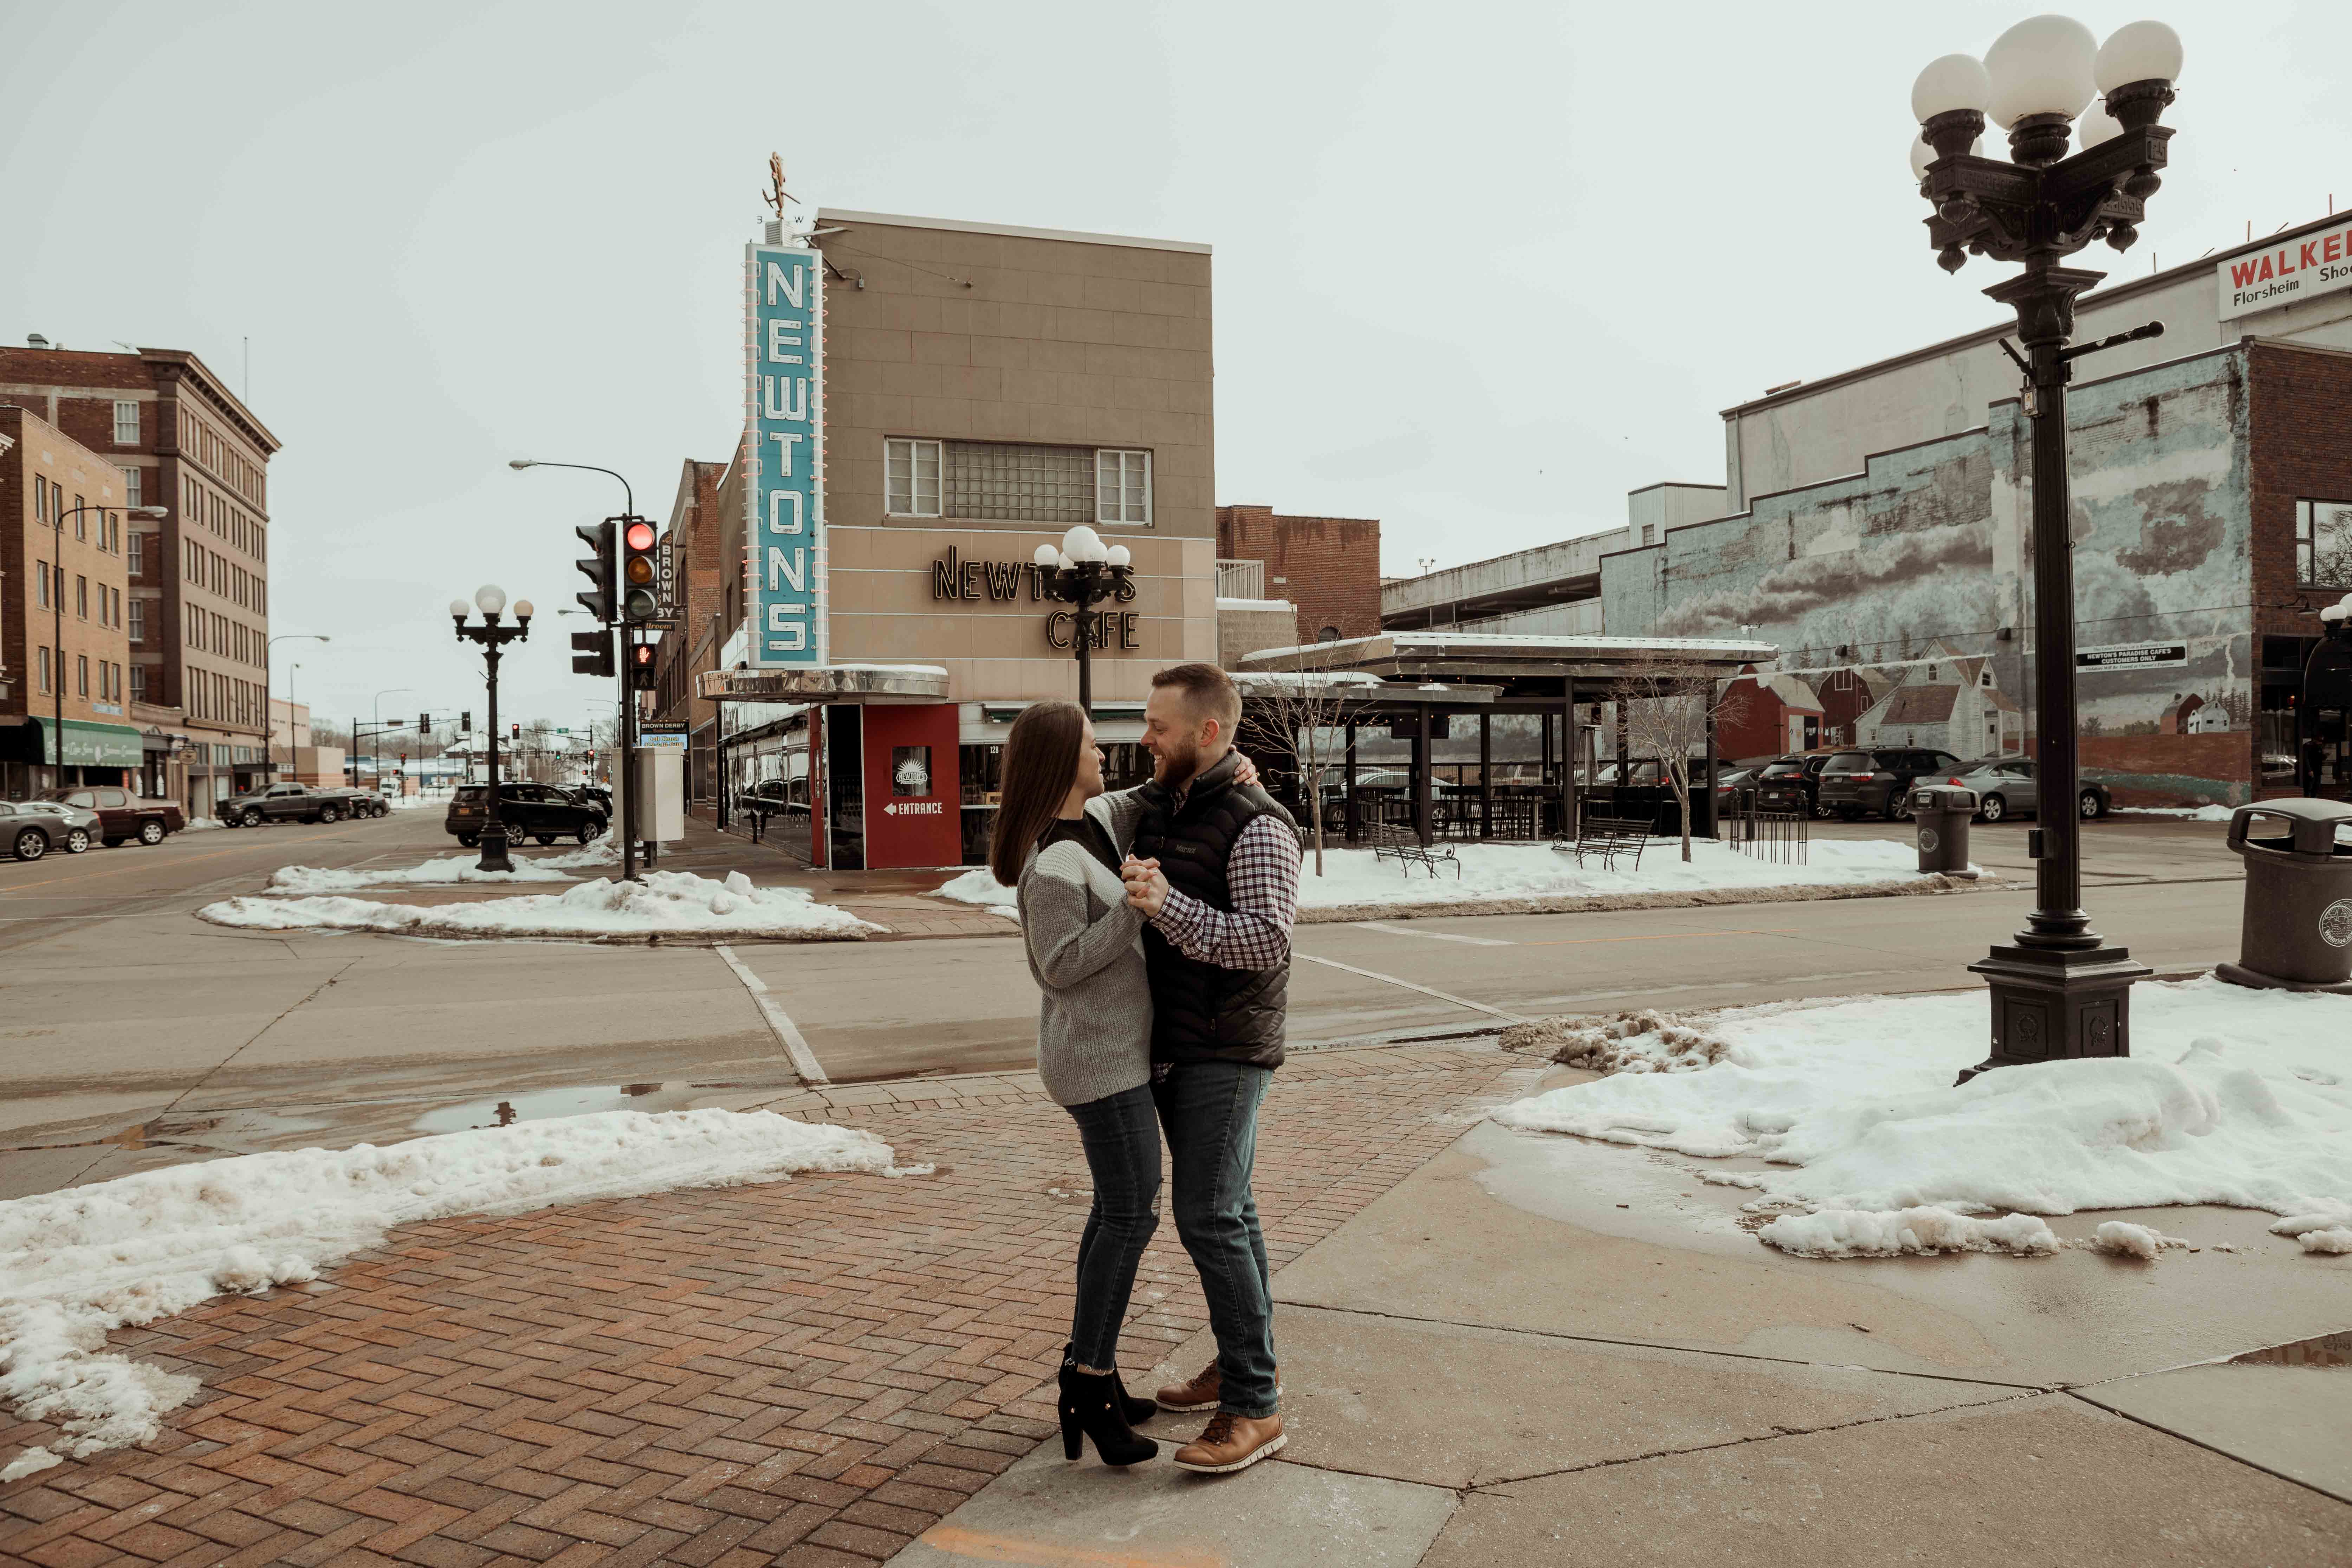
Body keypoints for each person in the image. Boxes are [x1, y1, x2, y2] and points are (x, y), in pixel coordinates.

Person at [991, 700, 1266, 1467]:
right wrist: (1138, 914)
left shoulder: (1098, 824)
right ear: (1059, 762)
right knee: (1128, 1217)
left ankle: (1094, 1375)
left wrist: (1234, 769)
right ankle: (1086, 1381)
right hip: (1094, 1063)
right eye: (1089, 745)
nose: (1106, 754)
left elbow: (1157, 790)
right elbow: (1059, 965)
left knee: (1117, 1214)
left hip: (1117, 1056)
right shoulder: (1051, 859)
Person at [1120, 662, 1301, 1476]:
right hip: (1177, 1041)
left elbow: (1266, 939)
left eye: (1158, 725)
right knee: (1233, 1210)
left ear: (1207, 732)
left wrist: (1169, 908)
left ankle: (1255, 1407)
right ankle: (1238, 1366)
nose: (1145, 737)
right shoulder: (1165, 803)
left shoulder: (1258, 823)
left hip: (1225, 1046)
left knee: (1209, 1216)